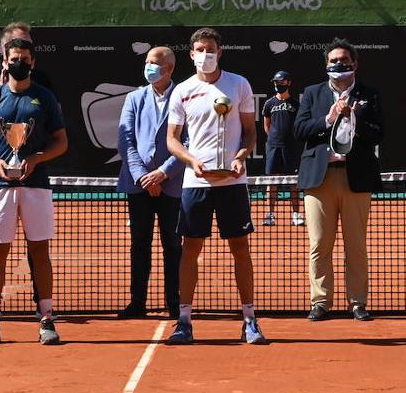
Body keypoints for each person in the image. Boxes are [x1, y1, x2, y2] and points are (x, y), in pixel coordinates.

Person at [165, 27, 265, 345]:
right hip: (196, 182)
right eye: (200, 49)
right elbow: (172, 139)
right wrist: (191, 161)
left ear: (220, 52)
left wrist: (241, 156)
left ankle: (249, 320)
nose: (206, 54)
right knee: (190, 249)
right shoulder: (182, 90)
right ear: (191, 54)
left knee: (240, 249)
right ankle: (184, 321)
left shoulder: (239, 84)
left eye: (211, 49)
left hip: (233, 181)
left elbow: (250, 132)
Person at [0, 37, 68, 346]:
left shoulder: (45, 98)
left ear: (33, 63)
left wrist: (38, 158)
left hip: (35, 186)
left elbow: (61, 142)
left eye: (24, 58)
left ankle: (47, 319)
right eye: (14, 58)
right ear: (4, 61)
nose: (19, 63)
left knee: (40, 251)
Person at [294, 39, 382, 322]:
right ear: (326, 65)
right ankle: (320, 301)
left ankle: (357, 302)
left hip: (355, 178)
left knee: (356, 244)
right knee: (319, 244)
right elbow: (299, 130)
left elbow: (379, 132)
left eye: (343, 60)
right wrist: (327, 120)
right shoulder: (312, 93)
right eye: (332, 61)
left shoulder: (369, 94)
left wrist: (355, 121)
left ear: (354, 64)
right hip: (319, 180)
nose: (338, 65)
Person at [116, 46, 184, 319]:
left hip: (173, 184)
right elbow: (125, 140)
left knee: (173, 245)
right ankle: (137, 302)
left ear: (169, 68)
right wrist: (144, 176)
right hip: (138, 185)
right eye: (147, 62)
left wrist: (164, 173)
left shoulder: (183, 95)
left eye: (154, 63)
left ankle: (175, 302)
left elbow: (188, 141)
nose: (148, 67)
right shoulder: (134, 98)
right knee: (139, 243)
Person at [262, 70, 303, 226]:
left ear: (289, 83)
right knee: (272, 182)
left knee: (294, 183)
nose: (278, 85)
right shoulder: (269, 104)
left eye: (282, 82)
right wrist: (274, 139)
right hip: (273, 148)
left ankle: (296, 215)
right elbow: (267, 126)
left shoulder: (296, 105)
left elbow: (299, 126)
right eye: (276, 82)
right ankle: (270, 215)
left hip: (291, 149)